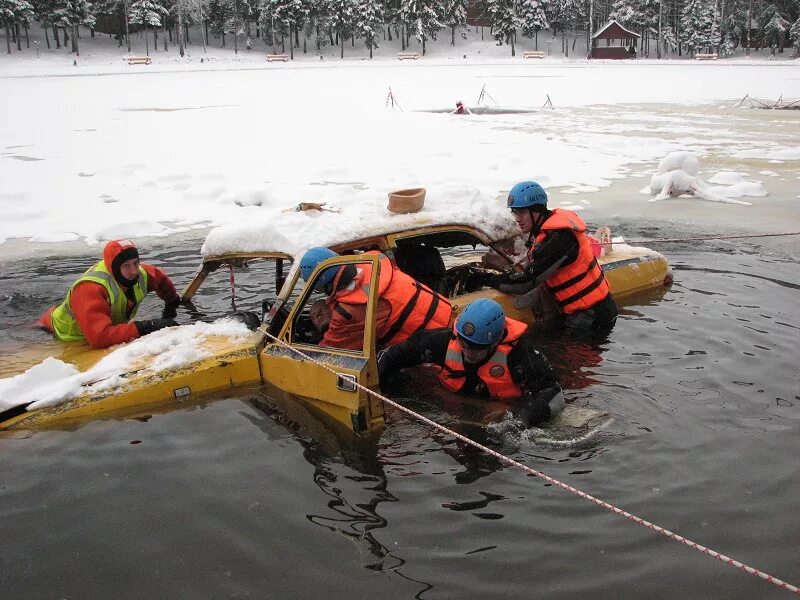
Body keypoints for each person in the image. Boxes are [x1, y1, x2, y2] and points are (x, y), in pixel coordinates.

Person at [378, 298, 564, 427]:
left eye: (475, 348)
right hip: (452, 402)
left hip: (501, 408)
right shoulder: (442, 341)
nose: (467, 352)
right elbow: (393, 356)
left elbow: (553, 393)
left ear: (494, 343)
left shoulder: (521, 355)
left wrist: (520, 419)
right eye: (463, 343)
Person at [477, 181, 618, 334]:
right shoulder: (545, 232)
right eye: (515, 213)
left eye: (521, 212)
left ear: (537, 210)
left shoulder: (559, 239)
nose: (517, 219)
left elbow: (526, 282)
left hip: (591, 316)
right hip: (586, 311)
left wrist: (487, 279)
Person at [298, 247, 453, 351]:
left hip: (435, 349)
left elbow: (330, 351)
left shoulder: (350, 312)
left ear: (323, 286)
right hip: (450, 319)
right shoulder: (372, 260)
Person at [38, 239, 181, 349]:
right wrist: (145, 327)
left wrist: (172, 303)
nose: (134, 271)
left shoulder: (141, 273)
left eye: (136, 263)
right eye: (126, 266)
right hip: (58, 334)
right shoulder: (89, 289)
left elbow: (160, 279)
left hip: (97, 330)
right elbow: (100, 338)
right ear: (114, 267)